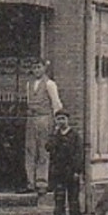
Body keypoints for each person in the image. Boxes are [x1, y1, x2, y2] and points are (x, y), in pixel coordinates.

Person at [24, 60, 63, 194]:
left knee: (43, 150)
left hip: (44, 118)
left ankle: (42, 183)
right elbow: (29, 101)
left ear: (44, 68)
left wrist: (57, 123)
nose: (36, 70)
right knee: (30, 150)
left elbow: (56, 104)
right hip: (31, 119)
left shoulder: (50, 84)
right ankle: (30, 182)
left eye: (39, 67)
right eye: (34, 67)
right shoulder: (28, 84)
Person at [44, 110, 86, 215]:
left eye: (63, 118)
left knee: (73, 200)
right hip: (58, 173)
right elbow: (48, 147)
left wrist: (77, 171)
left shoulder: (75, 136)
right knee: (59, 200)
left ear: (68, 120)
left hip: (71, 172)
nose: (61, 121)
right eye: (58, 119)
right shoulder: (55, 135)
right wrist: (54, 135)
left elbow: (79, 154)